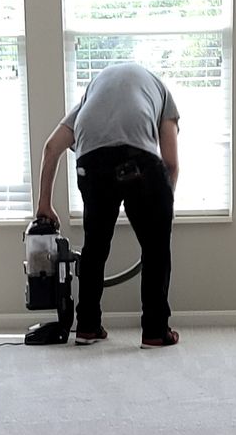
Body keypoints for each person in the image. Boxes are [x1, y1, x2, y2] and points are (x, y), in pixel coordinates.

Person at [35, 62, 180, 349]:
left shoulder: (91, 98)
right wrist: (164, 209)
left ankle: (87, 327)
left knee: (95, 247)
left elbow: (52, 147)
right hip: (140, 159)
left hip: (92, 162)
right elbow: (171, 163)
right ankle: (154, 331)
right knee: (155, 247)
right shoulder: (163, 95)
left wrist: (44, 205)